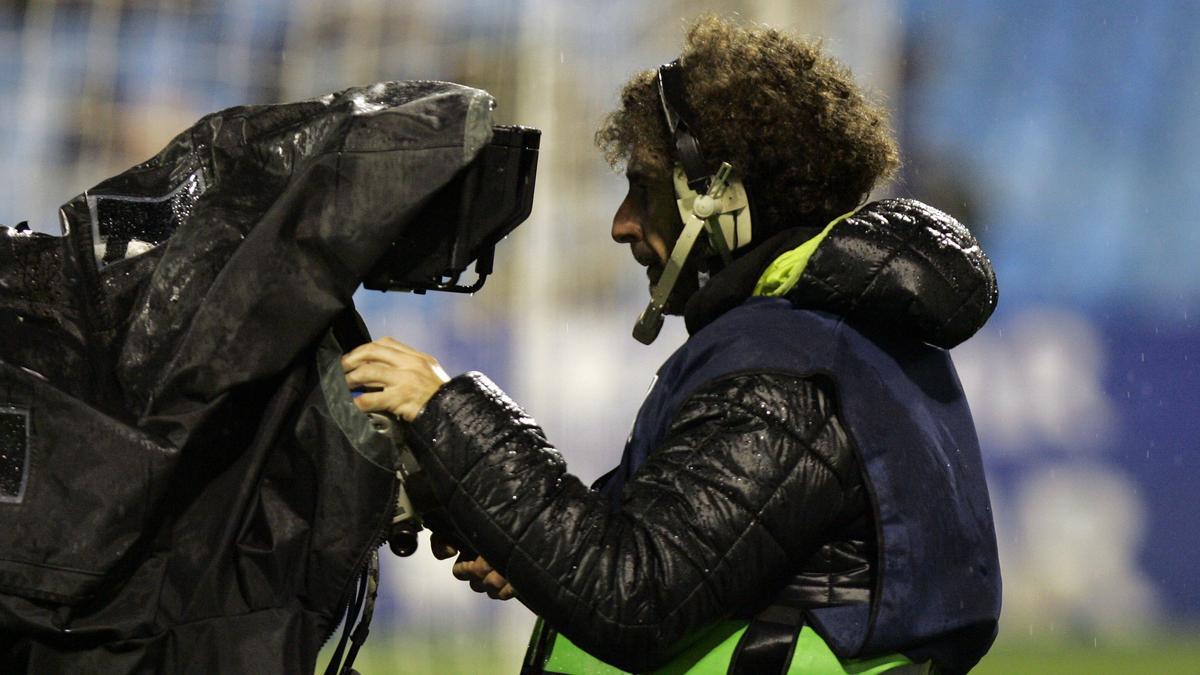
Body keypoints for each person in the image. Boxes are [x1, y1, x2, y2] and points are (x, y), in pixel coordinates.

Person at [342, 16, 1002, 675]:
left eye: (644, 188)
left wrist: (449, 409)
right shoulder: (827, 337)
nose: (621, 224)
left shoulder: (783, 380)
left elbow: (634, 597)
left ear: (720, 197)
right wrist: (525, 538)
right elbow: (696, 550)